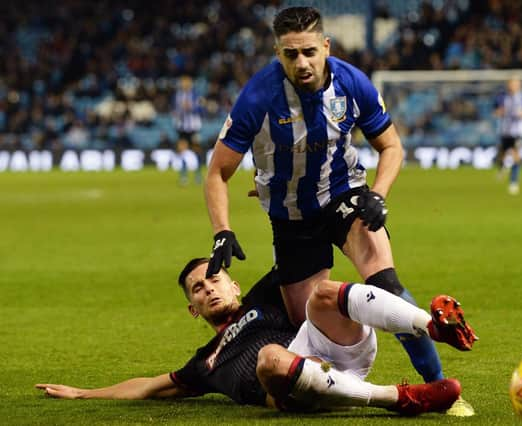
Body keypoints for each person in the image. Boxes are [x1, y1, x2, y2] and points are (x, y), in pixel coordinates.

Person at [204, 6, 454, 398]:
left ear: (325, 46)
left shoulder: (353, 83)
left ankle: (438, 386)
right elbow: (218, 172)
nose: (301, 63)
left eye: (308, 52)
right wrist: (222, 231)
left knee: (387, 286)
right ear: (277, 53)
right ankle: (354, 391)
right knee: (315, 327)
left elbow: (391, 147)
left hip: (343, 194)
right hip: (290, 218)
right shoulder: (258, 96)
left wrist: (378, 194)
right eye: (290, 54)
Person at [36, 258, 477, 415]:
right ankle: (400, 398)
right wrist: (83, 394)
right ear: (193, 309)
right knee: (269, 357)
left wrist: (275, 195)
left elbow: (297, 250)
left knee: (322, 293)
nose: (209, 288)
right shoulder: (205, 362)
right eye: (198, 288)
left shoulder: (262, 299)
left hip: (326, 351)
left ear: (234, 286)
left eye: (214, 279)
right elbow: (150, 387)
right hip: (290, 386)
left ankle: (431, 324)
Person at [494, 77, 522, 195]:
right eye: (511, 83)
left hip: (518, 131)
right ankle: (502, 168)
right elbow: (496, 111)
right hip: (505, 130)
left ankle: (513, 183)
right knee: (501, 154)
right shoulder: (502, 97)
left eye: (516, 83)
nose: (513, 86)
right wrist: (501, 112)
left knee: (516, 155)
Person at [173, 75, 204, 185]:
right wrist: (180, 110)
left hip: (194, 127)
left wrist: (191, 107)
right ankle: (183, 176)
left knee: (197, 151)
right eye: (183, 82)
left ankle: (198, 174)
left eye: (187, 82)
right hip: (182, 127)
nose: (185, 84)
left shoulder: (196, 95)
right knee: (182, 151)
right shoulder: (178, 95)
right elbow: (175, 110)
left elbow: (201, 110)